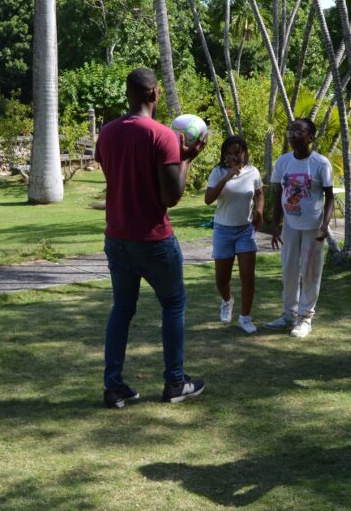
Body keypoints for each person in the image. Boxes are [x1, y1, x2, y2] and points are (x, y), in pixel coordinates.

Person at [96, 67, 208, 408]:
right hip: (154, 239)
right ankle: (175, 382)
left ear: (128, 93)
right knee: (173, 304)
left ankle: (113, 386)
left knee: (122, 309)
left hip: (117, 236)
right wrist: (187, 159)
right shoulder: (163, 136)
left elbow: (117, 177)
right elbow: (170, 197)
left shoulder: (107, 133)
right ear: (154, 94)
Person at [267, 118, 334, 339]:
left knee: (310, 271)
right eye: (291, 129)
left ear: (310, 137)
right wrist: (275, 225)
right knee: (289, 270)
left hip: (313, 227)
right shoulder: (283, 162)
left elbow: (329, 197)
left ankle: (305, 318)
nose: (293, 133)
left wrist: (325, 224)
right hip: (290, 225)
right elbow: (278, 195)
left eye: (299, 130)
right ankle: (289, 313)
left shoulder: (320, 163)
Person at [204, 135, 265, 334]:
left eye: (237, 152)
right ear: (224, 155)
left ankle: (245, 317)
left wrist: (259, 210)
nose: (234, 156)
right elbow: (208, 199)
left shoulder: (253, 172)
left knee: (248, 277)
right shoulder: (217, 172)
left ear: (245, 153)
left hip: (245, 230)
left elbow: (259, 193)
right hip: (223, 230)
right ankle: (227, 300)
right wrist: (228, 176)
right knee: (222, 278)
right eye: (229, 153)